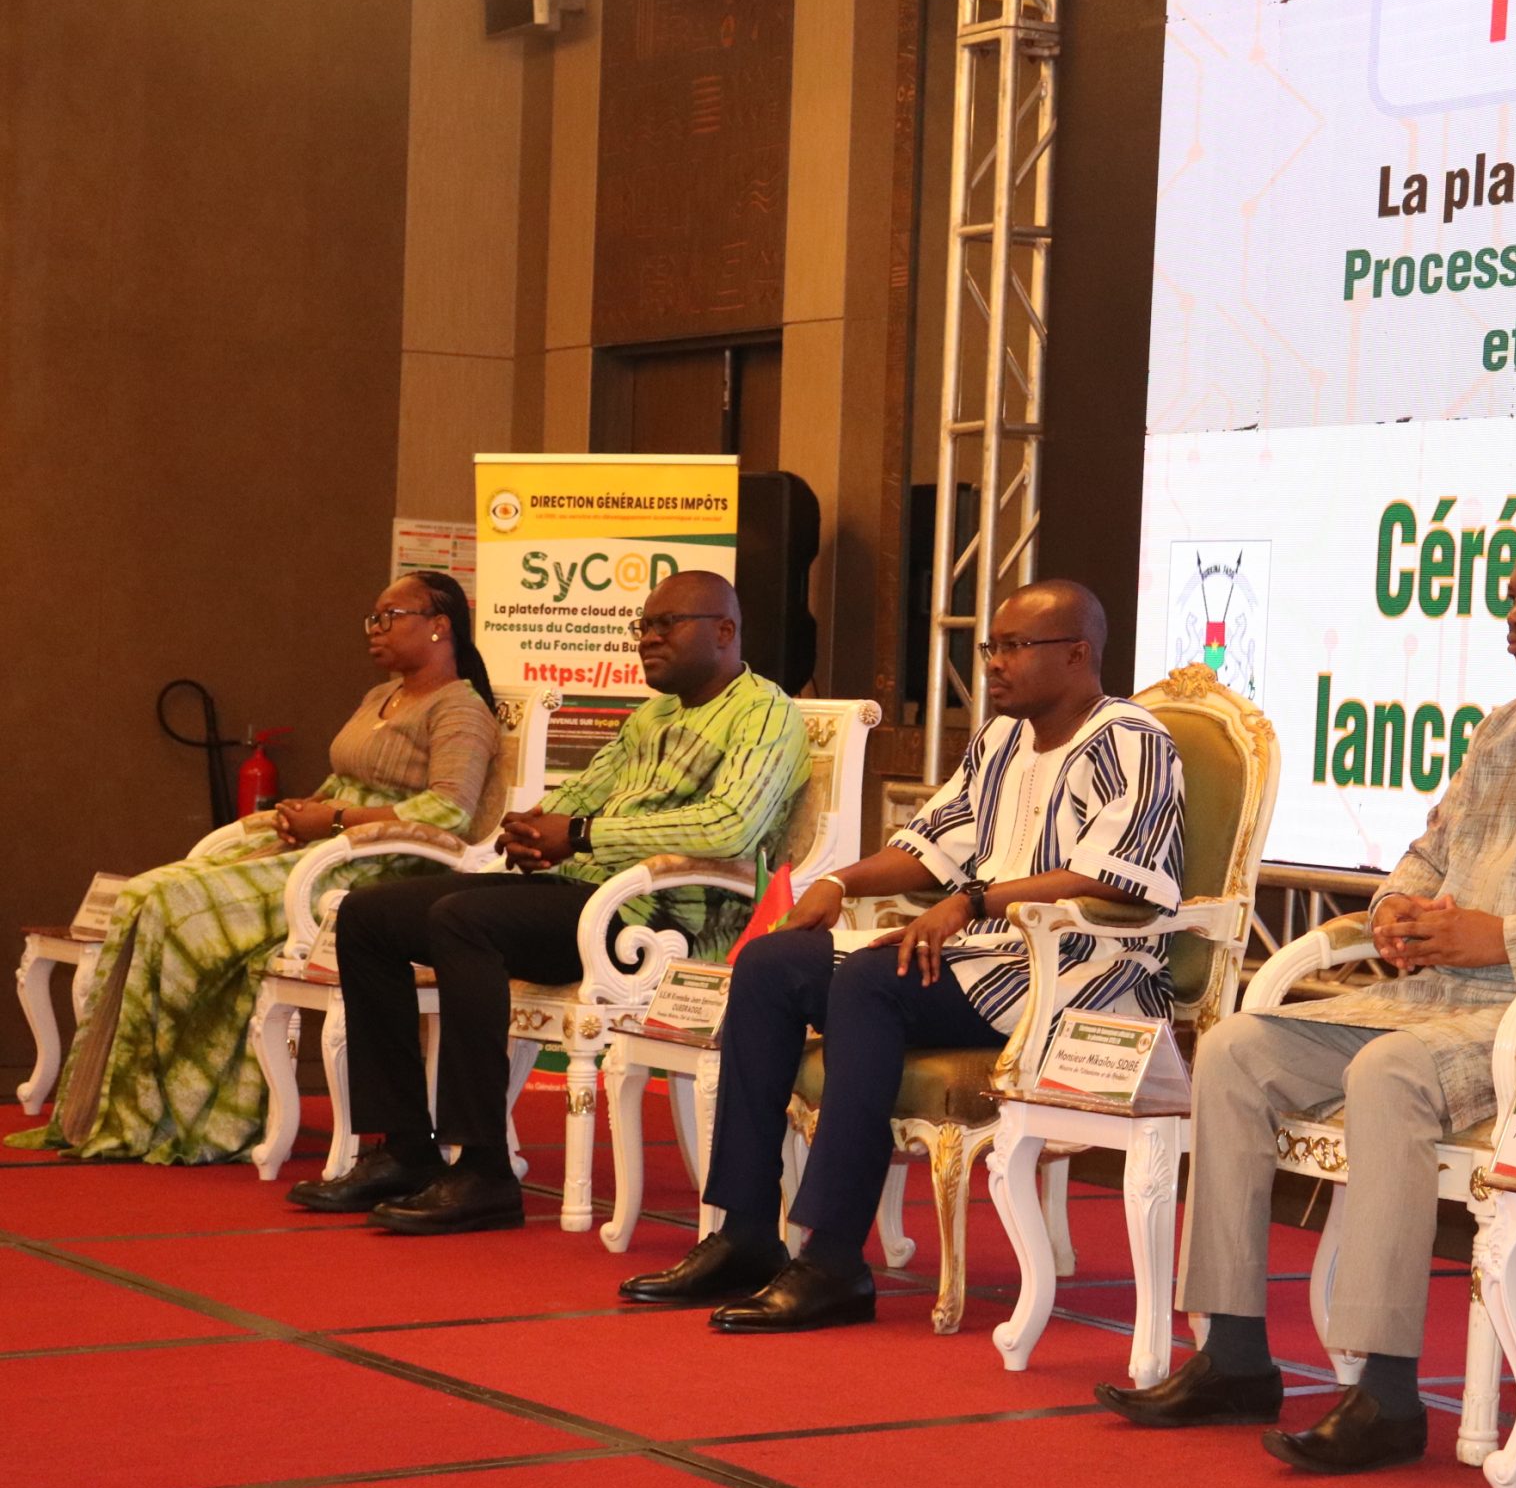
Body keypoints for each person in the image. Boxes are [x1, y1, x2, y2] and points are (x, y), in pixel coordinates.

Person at [1099, 522, 1516, 1473]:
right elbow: (1430, 853)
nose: (1513, 615)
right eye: (1511, 596)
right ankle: (1233, 1354)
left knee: (1389, 1071)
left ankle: (1388, 1394)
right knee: (1232, 1047)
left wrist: (1505, 937)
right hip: (1441, 997)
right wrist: (1397, 906)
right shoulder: (1504, 728)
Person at [615, 579, 1187, 1330]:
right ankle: (745, 1233)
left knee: (870, 981)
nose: (994, 662)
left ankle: (833, 1263)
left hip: (1077, 973)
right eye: (991, 646)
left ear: (1078, 654)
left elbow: (1119, 877)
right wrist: (837, 883)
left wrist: (975, 901)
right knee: (772, 964)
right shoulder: (1002, 739)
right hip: (978, 957)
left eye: (1015, 646)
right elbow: (929, 844)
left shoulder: (1130, 740)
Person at [286, 570, 808, 1235]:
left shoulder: (764, 712)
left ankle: (484, 1170)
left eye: (666, 624)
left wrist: (583, 835)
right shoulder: (653, 715)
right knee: (369, 916)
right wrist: (534, 828)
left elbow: (728, 825)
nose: (647, 639)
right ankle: (406, 1150)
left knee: (462, 920)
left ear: (725, 631)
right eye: (643, 626)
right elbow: (582, 792)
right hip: (586, 895)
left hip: (659, 921)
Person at [13, 573, 499, 1166]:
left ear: (439, 625)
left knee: (177, 906)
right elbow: (342, 782)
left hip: (379, 869)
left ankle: (191, 1109)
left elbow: (449, 811)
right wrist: (302, 812)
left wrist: (335, 821)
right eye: (372, 618)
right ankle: (125, 1105)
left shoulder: (460, 709)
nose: (375, 630)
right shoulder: (381, 696)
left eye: (389, 616)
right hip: (325, 846)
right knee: (145, 894)